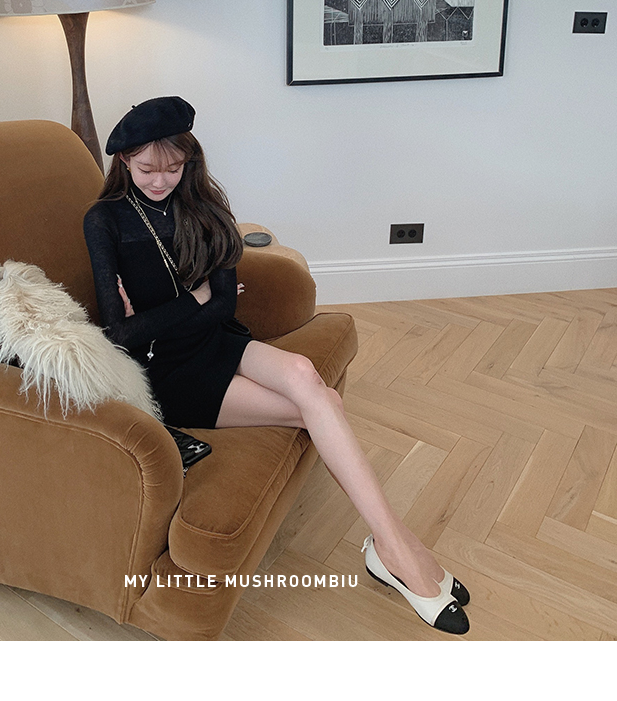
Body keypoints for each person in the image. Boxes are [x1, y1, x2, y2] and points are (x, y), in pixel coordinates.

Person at [83, 96, 470, 635]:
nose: (161, 181)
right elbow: (119, 333)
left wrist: (173, 312)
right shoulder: (103, 220)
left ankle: (392, 543)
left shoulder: (206, 207)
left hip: (217, 341)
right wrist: (193, 301)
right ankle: (399, 552)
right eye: (147, 168)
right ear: (124, 160)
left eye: (174, 168)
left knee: (311, 382)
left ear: (190, 161)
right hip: (166, 374)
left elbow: (223, 306)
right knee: (322, 406)